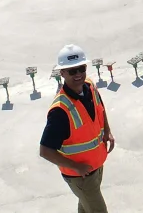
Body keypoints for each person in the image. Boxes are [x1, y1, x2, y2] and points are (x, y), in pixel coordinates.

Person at [38, 44, 117, 213]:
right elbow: (45, 151)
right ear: (62, 73)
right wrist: (77, 167)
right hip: (80, 176)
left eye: (81, 68)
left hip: (96, 166)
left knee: (85, 206)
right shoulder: (60, 110)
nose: (78, 74)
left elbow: (100, 109)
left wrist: (107, 131)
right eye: (72, 71)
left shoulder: (90, 86)